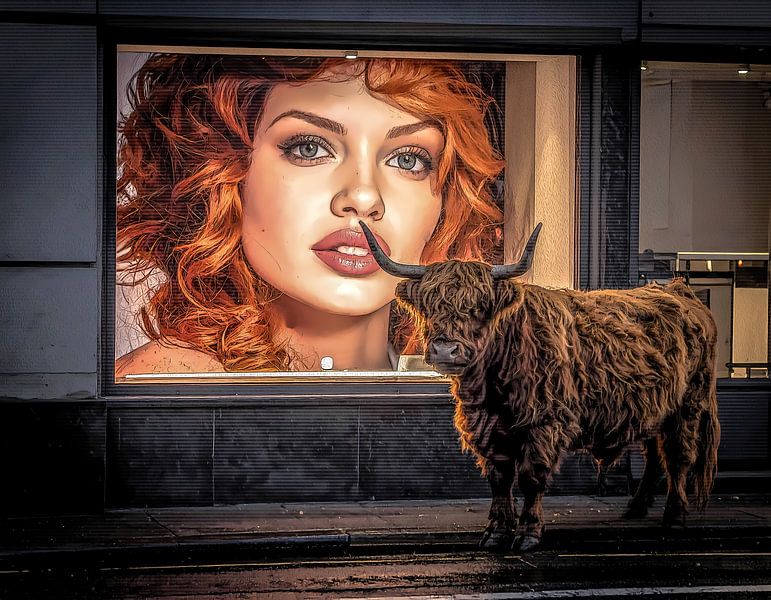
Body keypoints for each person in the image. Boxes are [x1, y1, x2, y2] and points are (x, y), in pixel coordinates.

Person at [115, 53, 504, 376]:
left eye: (408, 159)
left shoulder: (480, 392)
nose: (364, 196)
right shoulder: (161, 386)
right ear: (225, 173)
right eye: (309, 149)